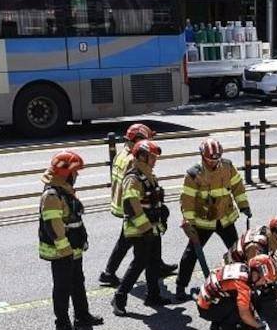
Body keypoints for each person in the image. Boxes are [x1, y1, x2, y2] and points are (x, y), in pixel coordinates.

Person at [100, 123, 177, 286]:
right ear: (138, 140)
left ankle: (157, 264)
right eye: (148, 139)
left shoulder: (120, 154)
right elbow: (135, 186)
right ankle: (110, 273)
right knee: (130, 241)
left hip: (120, 202)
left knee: (134, 240)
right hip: (133, 206)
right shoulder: (132, 159)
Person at [175, 139, 251, 301]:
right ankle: (180, 287)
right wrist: (189, 223)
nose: (214, 163)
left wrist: (244, 205)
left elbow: (238, 187)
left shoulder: (228, 167)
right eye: (210, 160)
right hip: (203, 222)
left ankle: (243, 282)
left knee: (237, 252)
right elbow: (187, 201)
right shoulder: (193, 174)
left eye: (217, 159)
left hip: (225, 219)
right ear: (202, 156)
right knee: (191, 254)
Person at [39, 150, 103, 330]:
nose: (76, 176)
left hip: (71, 247)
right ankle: (63, 325)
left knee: (77, 282)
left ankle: (82, 316)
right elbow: (54, 225)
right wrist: (64, 247)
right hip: (61, 251)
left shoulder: (63, 191)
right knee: (62, 287)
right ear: (65, 173)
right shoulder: (52, 195)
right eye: (75, 172)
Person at [112, 139, 172, 315]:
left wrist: (161, 212)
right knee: (139, 264)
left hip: (152, 229)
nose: (155, 160)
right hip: (140, 231)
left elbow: (151, 200)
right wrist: (145, 228)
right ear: (142, 157)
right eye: (152, 157)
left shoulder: (148, 175)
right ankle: (119, 298)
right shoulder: (133, 178)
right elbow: (132, 206)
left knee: (153, 262)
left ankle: (153, 295)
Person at [196, 254, 277, 330]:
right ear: (257, 274)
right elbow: (244, 315)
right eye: (264, 281)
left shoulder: (242, 267)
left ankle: (219, 320)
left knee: (246, 300)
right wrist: (258, 326)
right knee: (238, 311)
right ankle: (222, 329)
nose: (264, 284)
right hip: (207, 309)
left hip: (206, 300)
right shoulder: (243, 286)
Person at [225, 214, 277, 297]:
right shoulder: (255, 246)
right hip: (233, 272)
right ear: (275, 234)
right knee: (273, 272)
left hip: (241, 262)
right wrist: (276, 276)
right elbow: (255, 271)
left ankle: (267, 291)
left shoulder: (265, 231)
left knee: (275, 266)